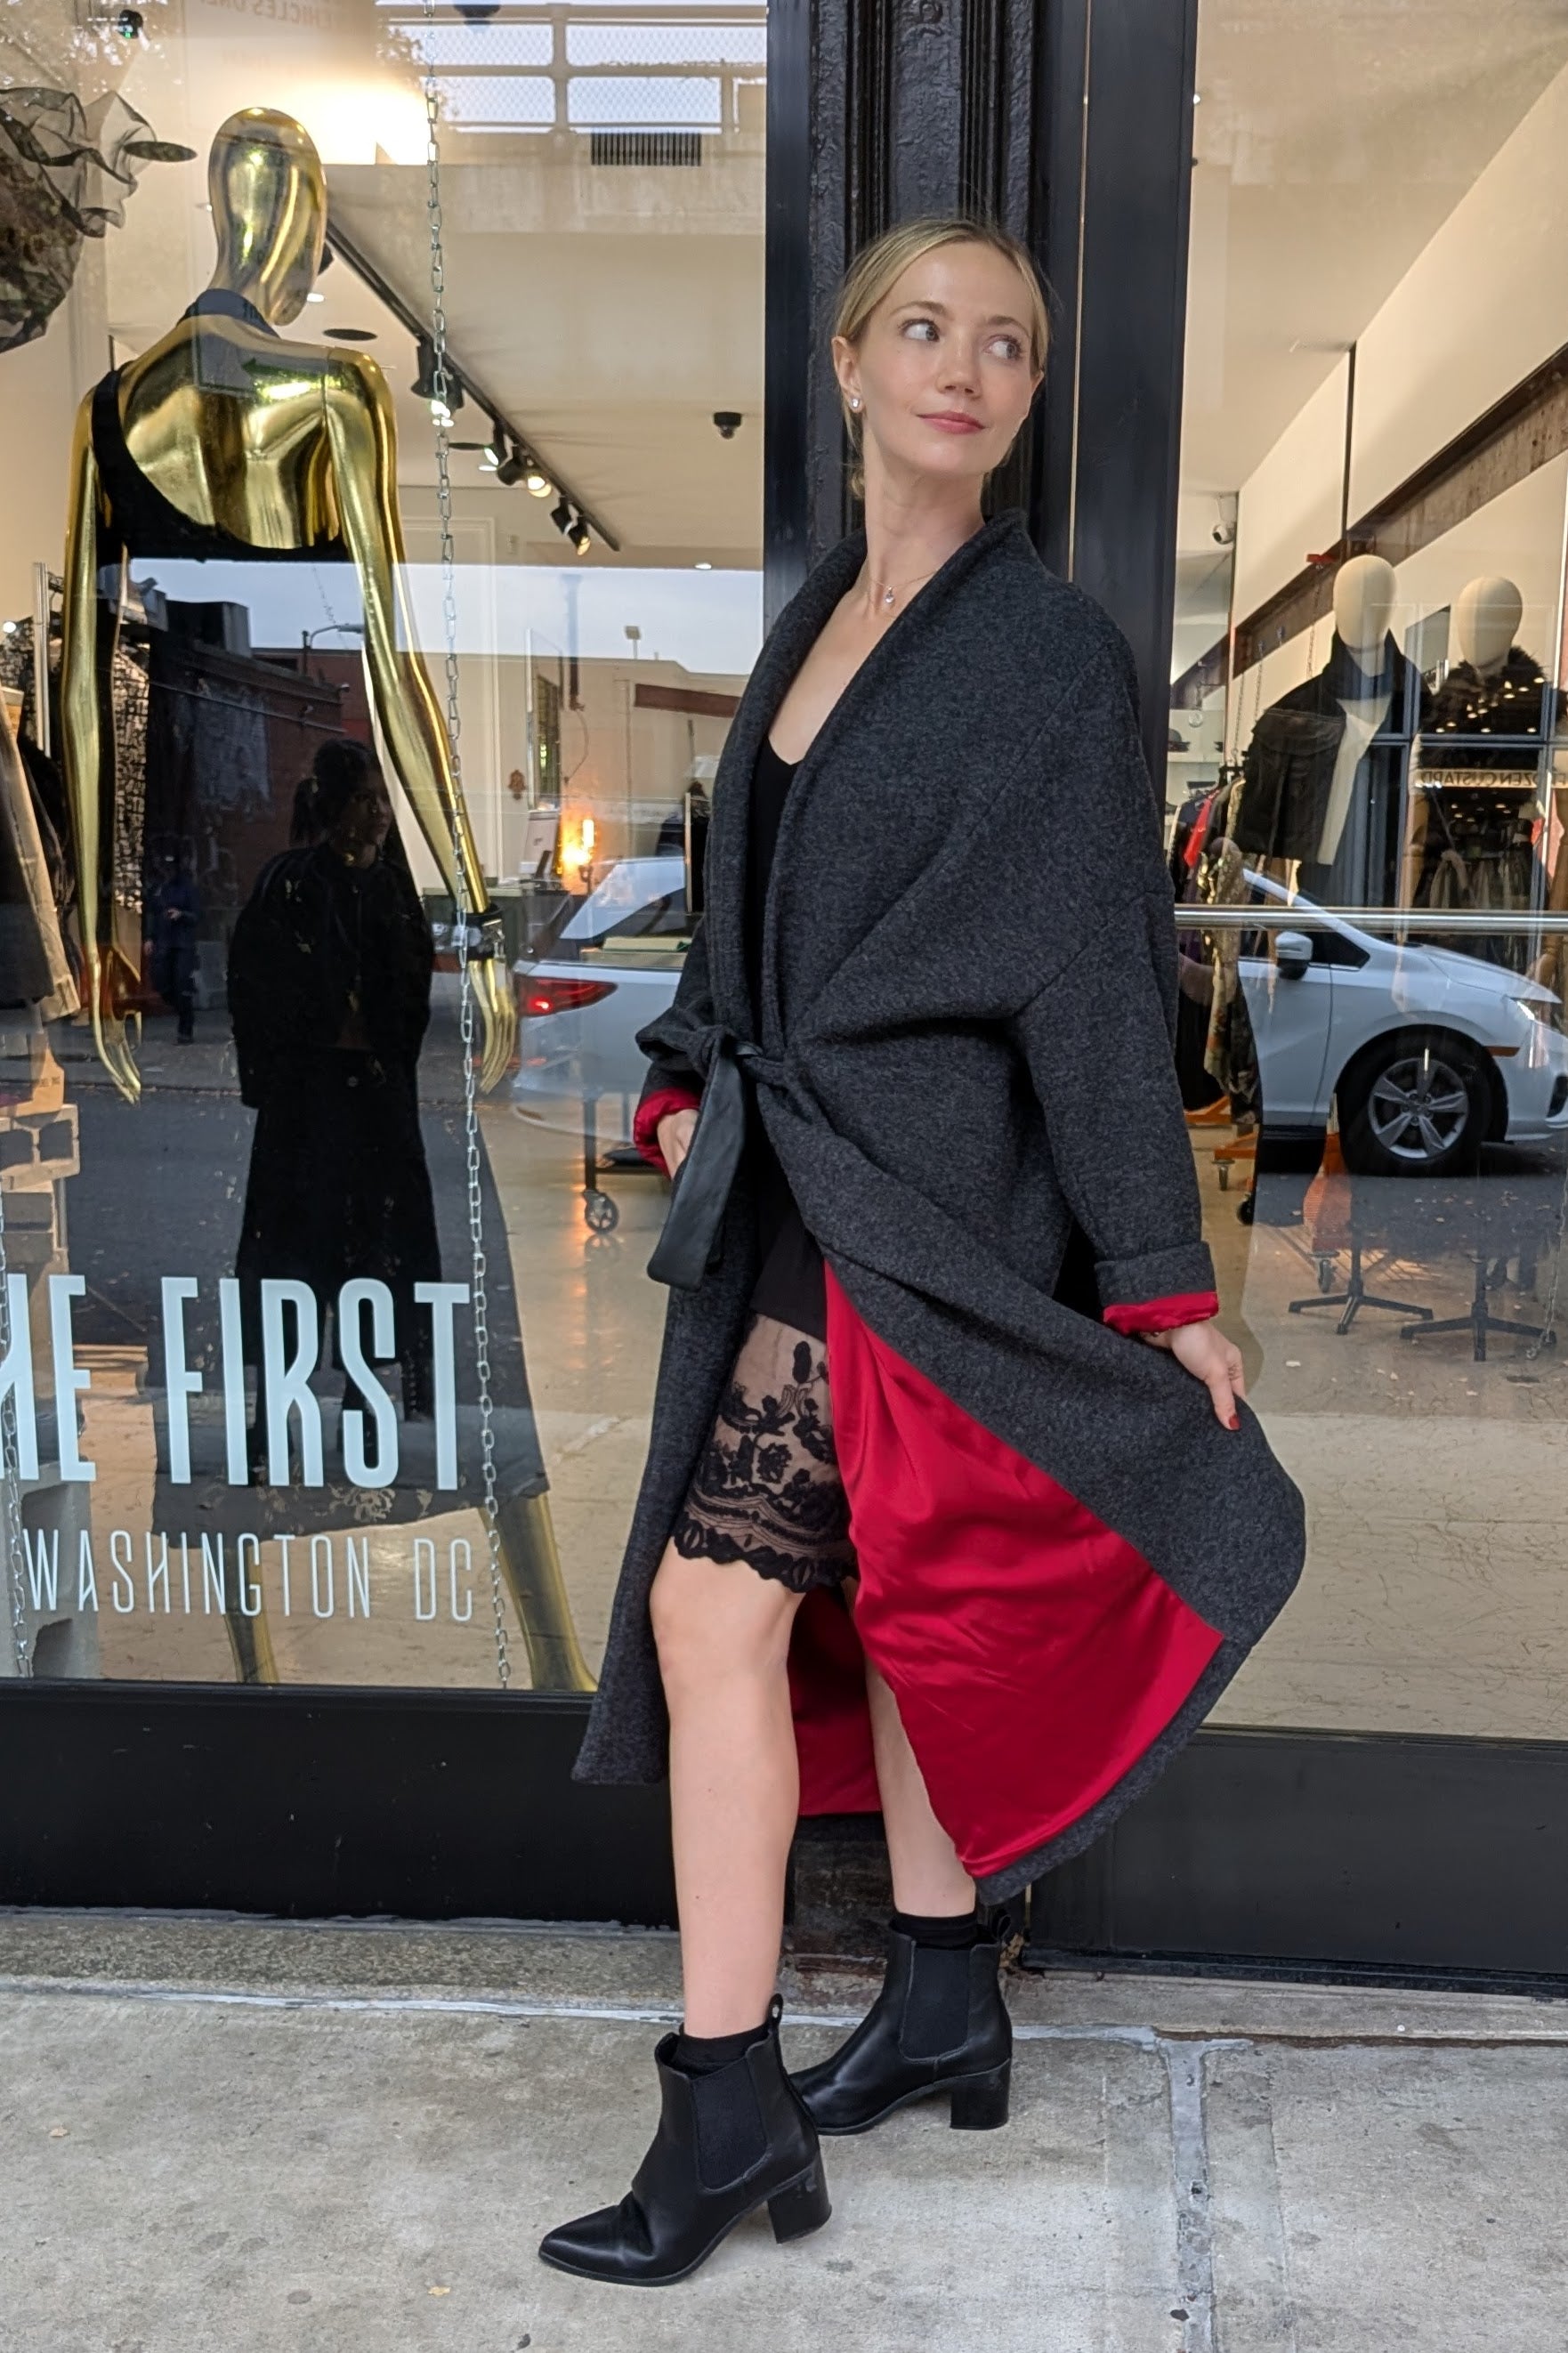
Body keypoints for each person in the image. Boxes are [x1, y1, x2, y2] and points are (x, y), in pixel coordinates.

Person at [540, 218, 1305, 2287]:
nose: (963, 366)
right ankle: (945, 1986)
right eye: (922, 329)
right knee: (885, 1583)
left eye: (1006, 344)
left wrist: (1157, 1284)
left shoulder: (1045, 655)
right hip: (794, 1174)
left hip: (924, 1204)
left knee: (709, 1611)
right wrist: (684, 1075)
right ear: (848, 363)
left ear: (1025, 394)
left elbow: (1094, 983)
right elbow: (743, 912)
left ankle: (723, 2102)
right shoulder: (813, 623)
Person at [228, 736, 440, 1437]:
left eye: (382, 800)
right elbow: (252, 987)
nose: (379, 813)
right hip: (307, 1104)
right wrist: (279, 1072)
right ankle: (274, 1407)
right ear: (336, 806)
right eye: (365, 799)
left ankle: (364, 1394)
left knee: (377, 1247)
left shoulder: (394, 891)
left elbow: (411, 994)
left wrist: (384, 1053)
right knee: (293, 1250)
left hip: (375, 1103)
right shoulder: (289, 884)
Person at [145, 851, 200, 1042]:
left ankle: (185, 1029)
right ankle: (180, 1008)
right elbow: (152, 913)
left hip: (182, 944)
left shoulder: (187, 887)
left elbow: (197, 915)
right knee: (162, 984)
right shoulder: (158, 887)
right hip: (163, 943)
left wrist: (181, 915)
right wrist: (149, 938)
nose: (167, 871)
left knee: (181, 985)